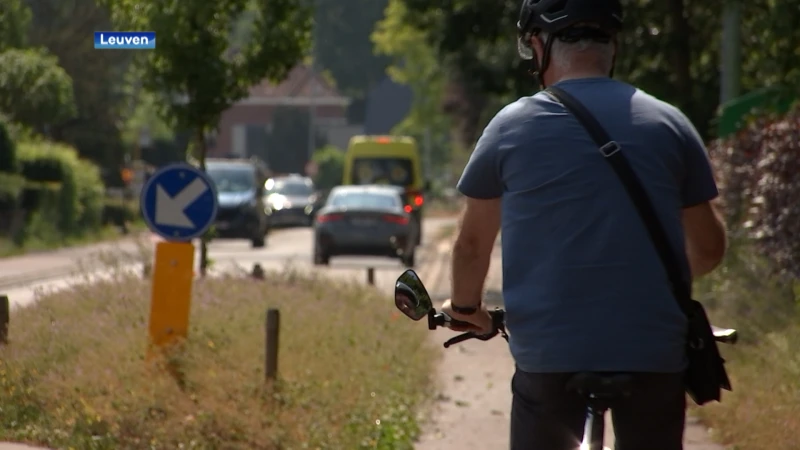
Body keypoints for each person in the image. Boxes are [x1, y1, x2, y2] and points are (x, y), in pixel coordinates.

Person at [440, 0, 728, 449]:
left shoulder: (510, 127)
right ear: (614, 45)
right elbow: (709, 249)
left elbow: (472, 246)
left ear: (539, 45)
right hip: (651, 351)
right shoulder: (670, 123)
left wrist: (466, 310)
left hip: (550, 355)